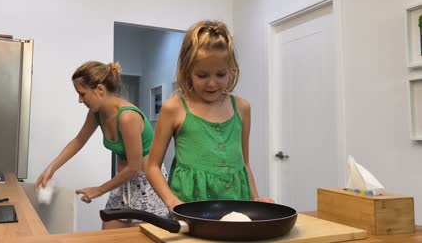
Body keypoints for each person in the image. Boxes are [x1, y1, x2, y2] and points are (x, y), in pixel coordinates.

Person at [146, 20, 274, 211]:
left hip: (237, 206)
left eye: (221, 75)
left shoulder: (242, 108)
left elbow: (244, 163)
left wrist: (255, 200)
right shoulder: (174, 108)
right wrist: (171, 201)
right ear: (188, 71)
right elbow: (152, 166)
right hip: (191, 209)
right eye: (202, 75)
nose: (212, 83)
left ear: (231, 70)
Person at [35, 61, 168, 229]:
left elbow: (134, 167)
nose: (79, 100)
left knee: (138, 238)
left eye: (82, 94)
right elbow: (78, 141)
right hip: (124, 180)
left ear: (100, 89)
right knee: (107, 235)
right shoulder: (96, 113)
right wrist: (50, 169)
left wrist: (99, 190)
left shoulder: (127, 117)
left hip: (147, 184)